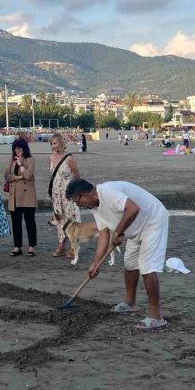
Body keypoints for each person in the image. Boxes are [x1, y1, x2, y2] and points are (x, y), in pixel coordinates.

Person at [66, 178, 170, 330]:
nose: (79, 206)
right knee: (130, 264)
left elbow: (133, 208)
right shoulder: (95, 208)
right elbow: (103, 236)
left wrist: (119, 231)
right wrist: (96, 264)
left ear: (83, 195)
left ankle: (156, 317)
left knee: (146, 266)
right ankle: (129, 303)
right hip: (133, 230)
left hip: (153, 222)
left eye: (77, 202)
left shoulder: (108, 192)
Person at [48, 134, 81, 258]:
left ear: (61, 143)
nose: (53, 146)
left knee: (71, 217)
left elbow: (77, 175)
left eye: (55, 143)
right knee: (59, 218)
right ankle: (61, 244)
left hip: (68, 193)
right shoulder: (50, 158)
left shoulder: (69, 158)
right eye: (51, 144)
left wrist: (76, 192)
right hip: (56, 194)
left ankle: (74, 246)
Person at [5, 137, 37, 256]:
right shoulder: (10, 160)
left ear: (24, 148)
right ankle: (17, 246)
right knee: (16, 222)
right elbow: (7, 176)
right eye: (15, 148)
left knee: (30, 222)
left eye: (19, 148)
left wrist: (20, 164)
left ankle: (31, 246)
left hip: (27, 195)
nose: (17, 151)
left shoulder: (31, 160)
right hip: (14, 195)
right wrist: (18, 177)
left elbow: (28, 176)